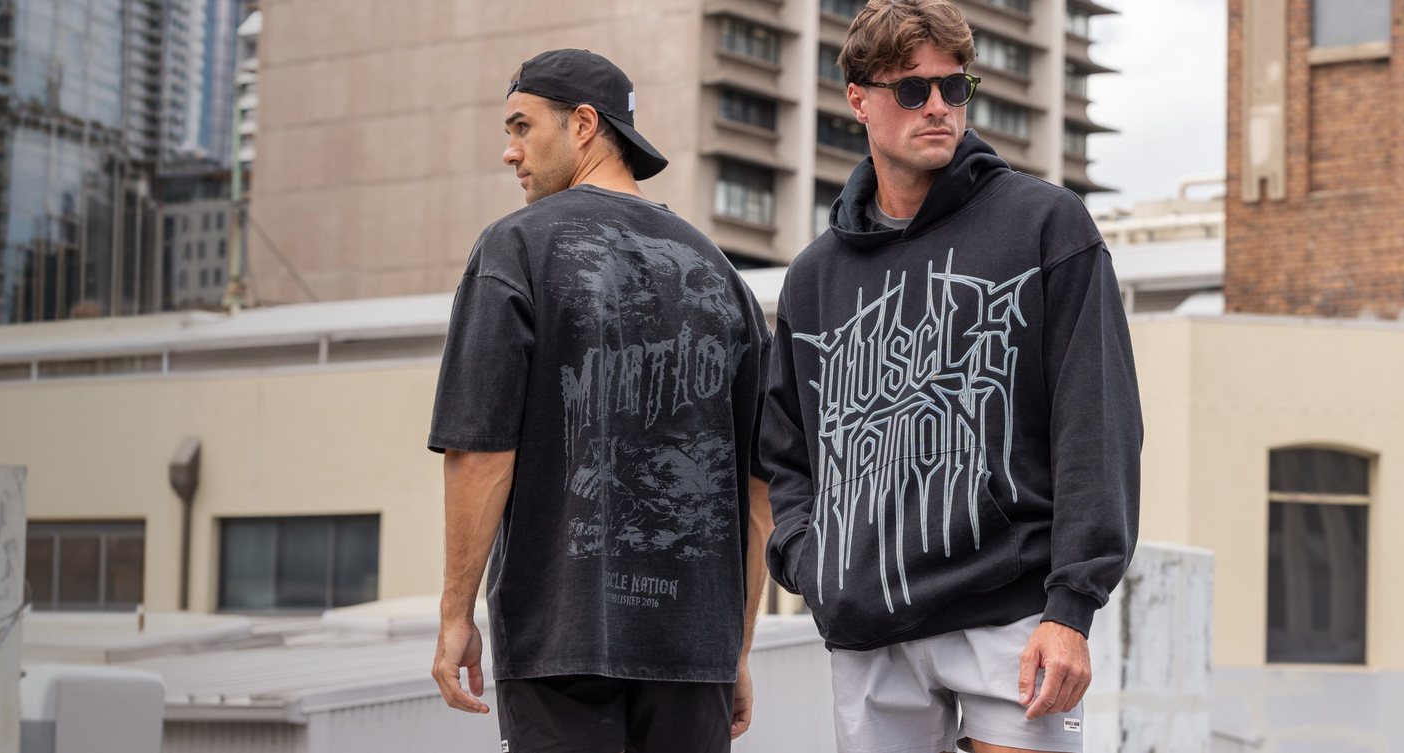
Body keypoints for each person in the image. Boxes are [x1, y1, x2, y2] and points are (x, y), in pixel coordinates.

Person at [759, 2, 1143, 752]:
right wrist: (814, 562)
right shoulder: (813, 277)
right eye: (911, 89)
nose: (937, 105)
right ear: (859, 99)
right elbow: (786, 452)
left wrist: (1072, 606)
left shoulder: (1046, 225)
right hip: (868, 623)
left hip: (1011, 611)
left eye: (953, 86)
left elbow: (1096, 424)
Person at [426, 48, 774, 753]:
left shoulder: (515, 248)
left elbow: (481, 448)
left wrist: (455, 613)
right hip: (694, 655)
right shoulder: (721, 274)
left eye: (522, 127)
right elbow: (758, 489)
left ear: (583, 124)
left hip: (561, 645)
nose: (510, 151)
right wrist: (736, 647)